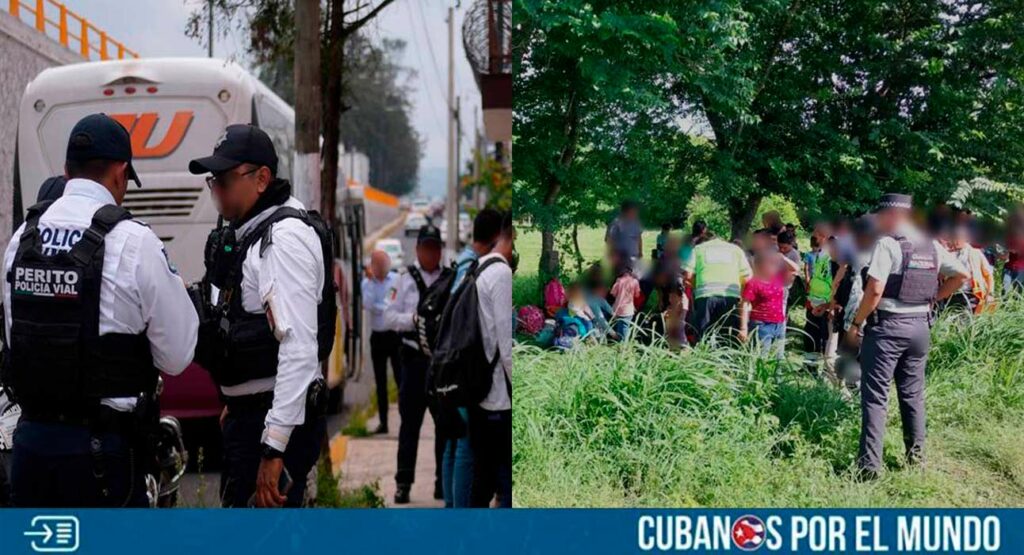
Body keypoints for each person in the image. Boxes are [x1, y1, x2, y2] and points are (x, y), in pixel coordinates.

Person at [3, 113, 198, 507]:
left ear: (66, 170)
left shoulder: (22, 239)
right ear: (120, 173)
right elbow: (177, 356)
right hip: (102, 458)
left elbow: (13, 339)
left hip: (31, 450)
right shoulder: (134, 242)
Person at [189, 124, 334, 508]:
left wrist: (274, 446)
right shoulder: (251, 232)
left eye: (224, 178)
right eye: (213, 179)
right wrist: (236, 399)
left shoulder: (282, 241)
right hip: (253, 414)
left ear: (262, 179)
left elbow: (299, 348)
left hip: (268, 425)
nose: (216, 188)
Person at [845, 193, 969, 480]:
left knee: (875, 397)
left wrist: (856, 323)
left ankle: (869, 468)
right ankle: (916, 459)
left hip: (887, 329)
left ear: (892, 216)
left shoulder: (888, 244)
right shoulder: (932, 246)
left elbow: (874, 291)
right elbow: (962, 274)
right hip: (920, 327)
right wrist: (933, 299)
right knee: (912, 396)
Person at [441, 208, 503, 508]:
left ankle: (453, 507)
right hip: (465, 370)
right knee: (465, 445)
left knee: (456, 443)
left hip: (454, 368)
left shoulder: (462, 264)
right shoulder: (474, 269)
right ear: (494, 239)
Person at [385, 224, 450, 504]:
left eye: (436, 248)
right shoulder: (403, 279)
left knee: (444, 426)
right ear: (418, 249)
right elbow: (389, 317)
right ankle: (403, 483)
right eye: (426, 247)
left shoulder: (449, 279)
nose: (431, 253)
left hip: (439, 364)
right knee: (409, 425)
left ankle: (442, 483)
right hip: (412, 362)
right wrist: (414, 319)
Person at [469, 211, 514, 508]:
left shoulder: (477, 269)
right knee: (504, 483)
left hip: (479, 390)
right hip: (498, 395)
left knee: (483, 480)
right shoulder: (500, 273)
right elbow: (504, 341)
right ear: (503, 235)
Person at [682, 226, 752, 342]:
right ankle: (723, 357)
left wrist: (696, 286)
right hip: (731, 296)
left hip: (705, 295)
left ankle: (703, 356)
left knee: (703, 334)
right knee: (726, 334)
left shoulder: (699, 249)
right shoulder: (735, 250)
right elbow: (748, 277)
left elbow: (688, 276)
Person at [362, 249, 401, 435]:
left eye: (385, 263)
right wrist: (370, 281)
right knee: (381, 382)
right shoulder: (366, 283)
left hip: (394, 335)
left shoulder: (395, 280)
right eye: (378, 264)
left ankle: (404, 420)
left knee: (401, 379)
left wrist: (383, 309)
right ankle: (383, 422)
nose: (382, 267)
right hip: (377, 337)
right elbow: (368, 304)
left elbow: (390, 304)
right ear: (373, 266)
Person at [739, 250, 800, 357]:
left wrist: (783, 258)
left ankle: (777, 374)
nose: (775, 267)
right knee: (762, 357)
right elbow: (745, 305)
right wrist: (744, 328)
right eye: (771, 264)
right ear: (760, 266)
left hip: (779, 324)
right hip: (761, 325)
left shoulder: (778, 277)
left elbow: (795, 269)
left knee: (778, 358)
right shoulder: (753, 283)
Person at [941, 222, 994, 314]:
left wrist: (990, 294)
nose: (955, 241)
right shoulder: (947, 254)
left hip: (971, 294)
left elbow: (988, 275)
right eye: (954, 238)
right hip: (951, 295)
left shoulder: (975, 253)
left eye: (958, 238)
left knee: (965, 320)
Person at [804, 223, 834, 371]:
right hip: (813, 301)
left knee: (824, 339)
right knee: (810, 335)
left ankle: (823, 370)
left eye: (815, 234)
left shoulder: (831, 257)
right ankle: (810, 367)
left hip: (825, 305)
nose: (813, 237)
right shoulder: (819, 255)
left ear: (823, 237)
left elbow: (834, 283)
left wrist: (828, 305)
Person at [609, 261, 640, 340]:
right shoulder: (635, 281)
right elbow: (637, 295)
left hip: (617, 308)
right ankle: (623, 344)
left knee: (619, 325)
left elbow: (613, 293)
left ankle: (619, 341)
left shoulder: (619, 280)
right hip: (628, 309)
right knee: (625, 327)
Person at [606, 200, 643, 264]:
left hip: (635, 257)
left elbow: (639, 238)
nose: (635, 213)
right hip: (621, 259)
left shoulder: (636, 223)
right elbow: (609, 240)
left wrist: (640, 252)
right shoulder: (616, 224)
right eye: (633, 211)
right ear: (625, 211)